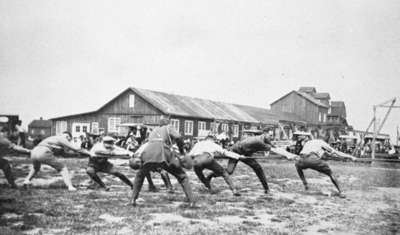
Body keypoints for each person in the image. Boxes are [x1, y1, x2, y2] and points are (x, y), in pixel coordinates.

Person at [129, 118, 195, 207]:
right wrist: (181, 150)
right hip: (163, 151)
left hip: (149, 151)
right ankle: (191, 201)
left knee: (140, 175)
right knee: (182, 176)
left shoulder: (153, 131)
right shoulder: (168, 127)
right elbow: (178, 137)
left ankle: (133, 199)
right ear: (167, 123)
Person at [209, 133, 275, 194]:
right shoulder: (257, 141)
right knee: (229, 171)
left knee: (257, 168)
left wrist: (276, 147)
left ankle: (266, 189)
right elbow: (270, 148)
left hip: (245, 153)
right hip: (235, 151)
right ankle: (212, 175)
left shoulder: (261, 138)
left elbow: (271, 146)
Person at [23, 131, 91, 191]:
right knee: (63, 168)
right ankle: (70, 186)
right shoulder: (62, 138)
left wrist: (77, 155)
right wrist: (90, 153)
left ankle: (26, 181)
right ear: (67, 136)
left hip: (34, 152)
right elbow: (76, 149)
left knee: (36, 168)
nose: (68, 142)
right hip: (43, 152)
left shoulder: (53, 138)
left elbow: (64, 154)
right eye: (69, 140)